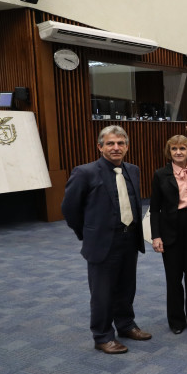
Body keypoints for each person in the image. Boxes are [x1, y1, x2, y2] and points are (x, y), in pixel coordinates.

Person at [61, 125, 152, 354]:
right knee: (102, 292)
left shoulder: (133, 169)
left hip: (129, 239)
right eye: (110, 143)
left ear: (127, 147)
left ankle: (126, 325)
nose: (116, 147)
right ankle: (102, 336)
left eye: (120, 143)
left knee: (126, 287)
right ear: (99, 146)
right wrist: (87, 233)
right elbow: (70, 209)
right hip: (102, 243)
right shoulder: (85, 172)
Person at [149, 135, 187, 334]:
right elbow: (155, 209)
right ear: (169, 151)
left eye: (182, 149)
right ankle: (176, 320)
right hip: (170, 228)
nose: (178, 152)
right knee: (174, 278)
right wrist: (156, 236)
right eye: (174, 149)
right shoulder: (161, 174)